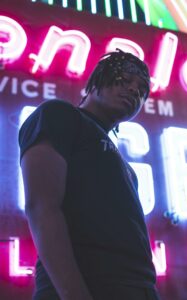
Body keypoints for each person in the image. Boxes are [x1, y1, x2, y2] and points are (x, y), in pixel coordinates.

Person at [19, 49, 161, 300]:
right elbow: (42, 207)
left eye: (141, 90)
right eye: (125, 80)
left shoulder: (126, 169)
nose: (133, 91)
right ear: (98, 79)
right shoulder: (58, 115)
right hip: (88, 285)